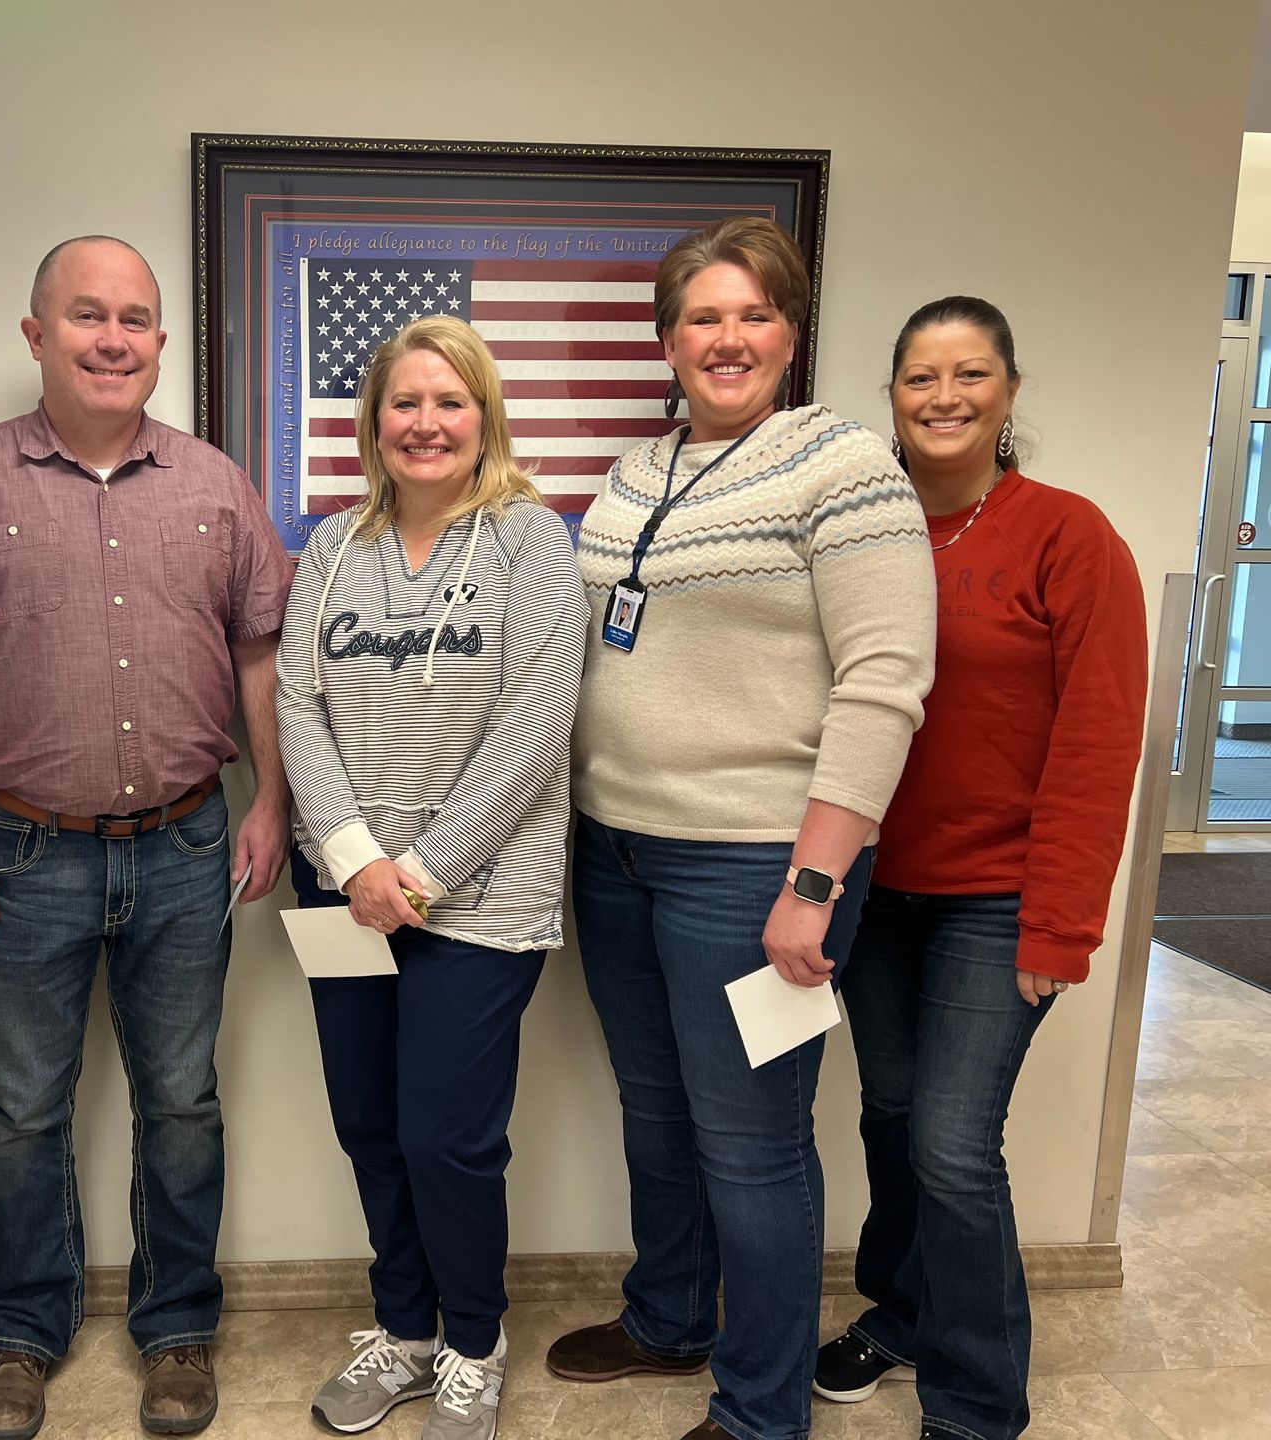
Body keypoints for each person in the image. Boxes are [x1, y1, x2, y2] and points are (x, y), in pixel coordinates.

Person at [0, 235, 295, 1440]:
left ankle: (176, 1332)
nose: (114, 339)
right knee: (25, 1116)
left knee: (182, 1103)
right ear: (36, 333)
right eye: (87, 316)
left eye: (137, 320)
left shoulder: (216, 485)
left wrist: (272, 799)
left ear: (163, 341)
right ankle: (23, 1335)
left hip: (186, 845)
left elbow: (260, 656)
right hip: (19, 852)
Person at [547, 216, 938, 1440]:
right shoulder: (635, 473)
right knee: (656, 1113)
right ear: (666, 340)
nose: (727, 338)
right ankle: (671, 1318)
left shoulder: (846, 467)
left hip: (756, 864)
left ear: (792, 330)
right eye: (702, 318)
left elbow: (885, 683)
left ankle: (763, 1408)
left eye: (753, 314)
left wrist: (814, 886)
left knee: (753, 1142)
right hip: (616, 852)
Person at [813, 297, 1147, 1440]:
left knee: (954, 1145)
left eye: (969, 374)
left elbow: (1099, 746)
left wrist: (1061, 926)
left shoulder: (1068, 536)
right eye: (919, 376)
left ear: (1009, 390)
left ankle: (976, 1401)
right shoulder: (861, 529)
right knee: (891, 1119)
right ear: (890, 395)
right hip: (871, 893)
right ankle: (901, 1312)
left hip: (998, 902)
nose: (944, 396)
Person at [278, 316, 589, 1440]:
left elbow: (535, 724)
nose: (426, 423)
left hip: (482, 893)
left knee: (447, 1135)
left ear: (485, 417)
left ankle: (472, 1342)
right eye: (405, 402)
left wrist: (419, 870)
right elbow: (295, 704)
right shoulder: (332, 547)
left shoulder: (531, 542)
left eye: (450, 401)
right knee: (369, 1121)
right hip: (345, 889)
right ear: (374, 421)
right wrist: (357, 860)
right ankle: (404, 1332)